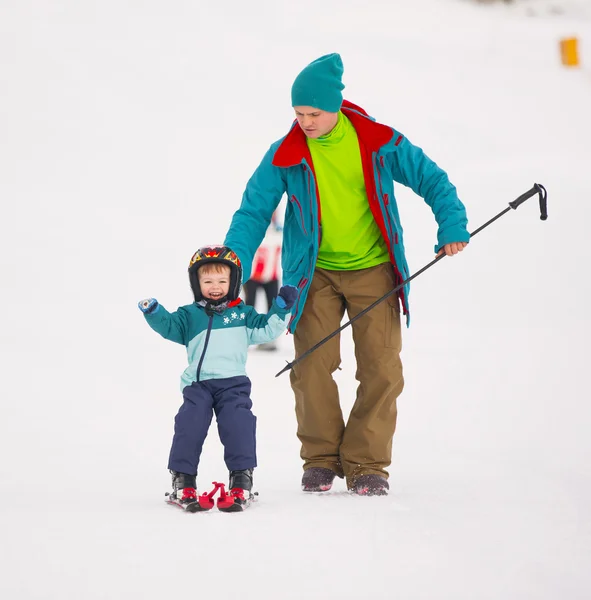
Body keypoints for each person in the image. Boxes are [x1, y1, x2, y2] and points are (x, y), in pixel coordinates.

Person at [224, 53, 469, 497]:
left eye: (313, 113)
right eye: (298, 114)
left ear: (335, 105)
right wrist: (232, 262)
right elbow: (253, 210)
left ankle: (366, 463)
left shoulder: (376, 140)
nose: (305, 122)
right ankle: (319, 459)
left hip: (374, 267)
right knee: (310, 363)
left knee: (381, 367)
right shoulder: (287, 152)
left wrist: (450, 223)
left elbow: (431, 178)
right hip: (313, 272)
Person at [138, 245, 298, 511]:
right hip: (198, 384)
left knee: (239, 424)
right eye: (208, 281)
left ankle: (241, 478)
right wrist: (155, 313)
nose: (215, 287)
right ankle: (183, 480)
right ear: (196, 283)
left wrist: (281, 308)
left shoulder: (243, 315)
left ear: (233, 283)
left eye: (222, 281)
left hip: (233, 384)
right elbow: (169, 326)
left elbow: (267, 330)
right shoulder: (189, 315)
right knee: (189, 424)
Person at [243, 213, 283, 351]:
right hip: (252, 277)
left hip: (271, 277)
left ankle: (269, 339)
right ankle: (244, 337)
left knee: (273, 308)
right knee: (249, 306)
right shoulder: (252, 227)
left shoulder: (278, 230)